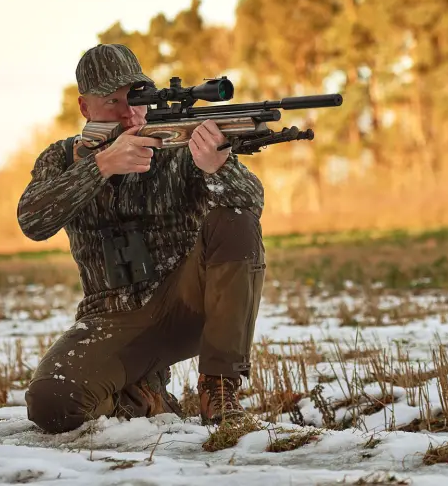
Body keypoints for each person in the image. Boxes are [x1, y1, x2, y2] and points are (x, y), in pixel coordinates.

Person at [16, 43, 266, 434]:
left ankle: (219, 389)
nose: (128, 113)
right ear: (85, 108)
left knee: (234, 220)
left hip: (186, 303)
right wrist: (99, 167)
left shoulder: (180, 147)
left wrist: (217, 168)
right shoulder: (61, 159)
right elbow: (32, 220)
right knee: (51, 404)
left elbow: (250, 206)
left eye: (137, 98)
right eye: (112, 101)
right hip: (110, 315)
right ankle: (141, 396)